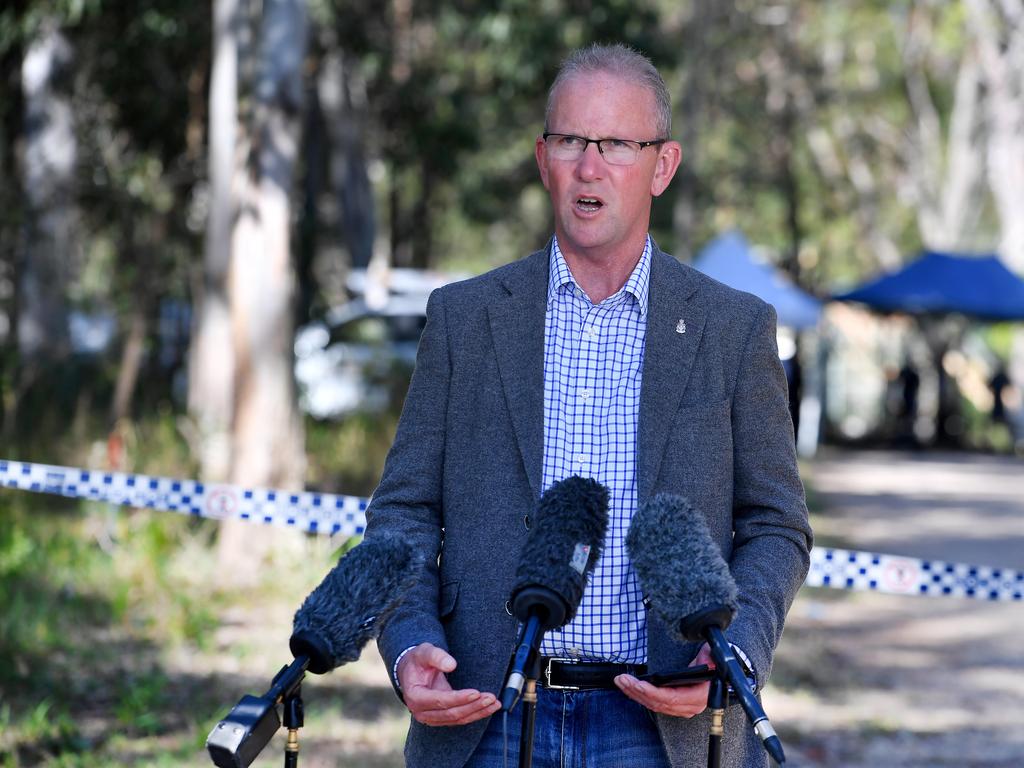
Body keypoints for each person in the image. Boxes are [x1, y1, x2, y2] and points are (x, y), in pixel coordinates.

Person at [362, 43, 812, 768]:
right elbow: (404, 511)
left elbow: (776, 525)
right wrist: (411, 641)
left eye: (616, 144)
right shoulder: (465, 318)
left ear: (662, 165)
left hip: (661, 726)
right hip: (487, 719)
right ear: (544, 159)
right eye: (570, 140)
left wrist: (732, 654)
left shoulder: (734, 329)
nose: (589, 165)